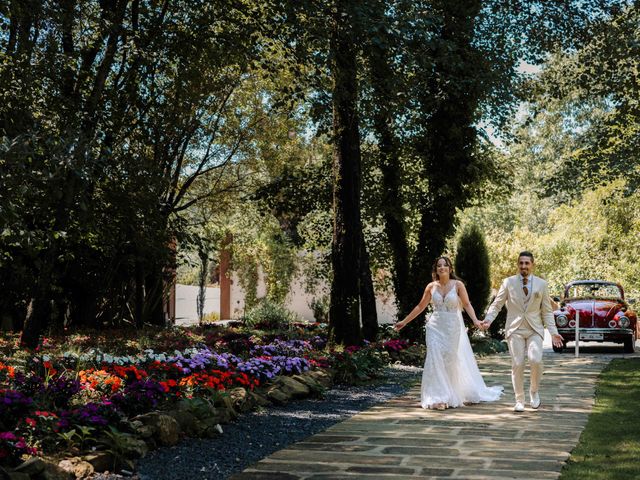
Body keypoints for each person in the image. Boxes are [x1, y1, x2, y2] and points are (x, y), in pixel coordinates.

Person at [394, 256, 503, 410]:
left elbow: (466, 304)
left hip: (452, 328)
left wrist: (476, 321)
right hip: (434, 327)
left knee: (449, 361)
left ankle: (451, 393)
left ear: (450, 269)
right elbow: (420, 306)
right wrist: (404, 321)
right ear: (436, 270)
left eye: (445, 265)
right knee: (435, 360)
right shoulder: (431, 287)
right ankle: (439, 397)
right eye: (439, 265)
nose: (442, 267)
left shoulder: (458, 285)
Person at [480, 251, 564, 413]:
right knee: (517, 364)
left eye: (527, 263)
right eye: (521, 263)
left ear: (532, 265)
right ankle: (519, 399)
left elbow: (547, 311)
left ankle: (534, 390)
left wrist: (553, 332)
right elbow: (497, 305)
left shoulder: (541, 284)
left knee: (536, 360)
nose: (523, 266)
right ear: (518, 265)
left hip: (534, 328)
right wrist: (489, 319)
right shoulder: (508, 282)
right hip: (515, 328)